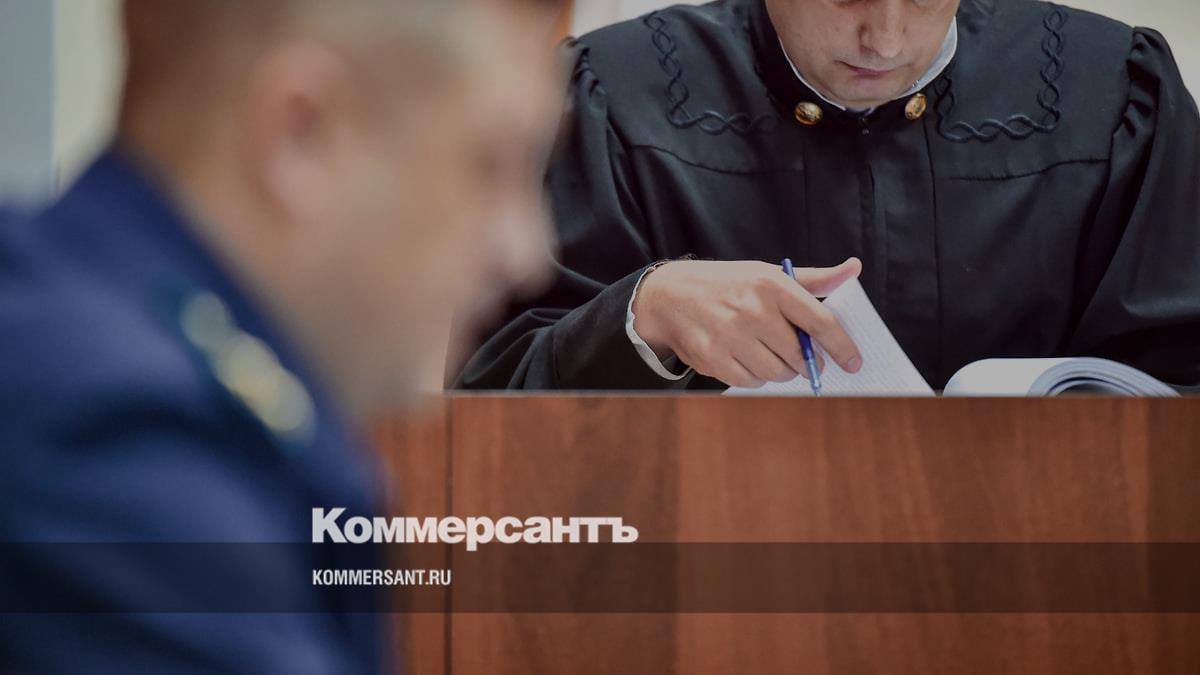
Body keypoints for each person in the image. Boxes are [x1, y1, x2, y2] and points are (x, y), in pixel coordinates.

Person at [0, 0, 559, 672]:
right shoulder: (117, 433)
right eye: (491, 164)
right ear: (302, 136)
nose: (526, 253)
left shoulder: (109, 353)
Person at [456, 0, 1200, 392]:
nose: (886, 39)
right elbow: (485, 395)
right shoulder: (613, 95)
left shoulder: (1111, 94)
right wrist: (640, 317)